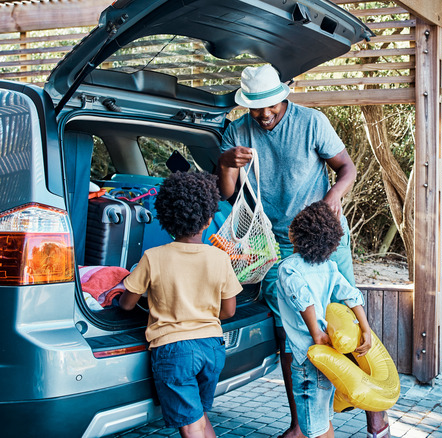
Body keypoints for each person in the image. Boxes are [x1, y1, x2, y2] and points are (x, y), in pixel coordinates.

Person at [217, 65, 390, 438]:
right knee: (291, 331)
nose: (264, 115)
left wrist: (330, 202)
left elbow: (347, 168)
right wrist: (226, 163)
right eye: (256, 107)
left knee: (345, 318)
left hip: (324, 235)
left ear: (284, 95)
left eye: (271, 106)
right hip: (274, 241)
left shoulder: (312, 122)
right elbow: (229, 194)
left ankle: (376, 419)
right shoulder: (237, 131)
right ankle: (301, 424)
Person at [119, 171, 242, 438]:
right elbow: (229, 311)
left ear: (166, 218)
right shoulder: (220, 258)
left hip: (174, 350)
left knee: (191, 425)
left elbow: (127, 304)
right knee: (198, 415)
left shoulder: (153, 258)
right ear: (209, 218)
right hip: (212, 348)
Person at [277, 200, 372, 438]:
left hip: (309, 358)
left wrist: (316, 333)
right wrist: (366, 329)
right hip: (330, 355)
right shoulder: (329, 267)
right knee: (323, 419)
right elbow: (351, 295)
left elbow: (303, 298)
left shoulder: (289, 268)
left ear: (292, 234)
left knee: (315, 428)